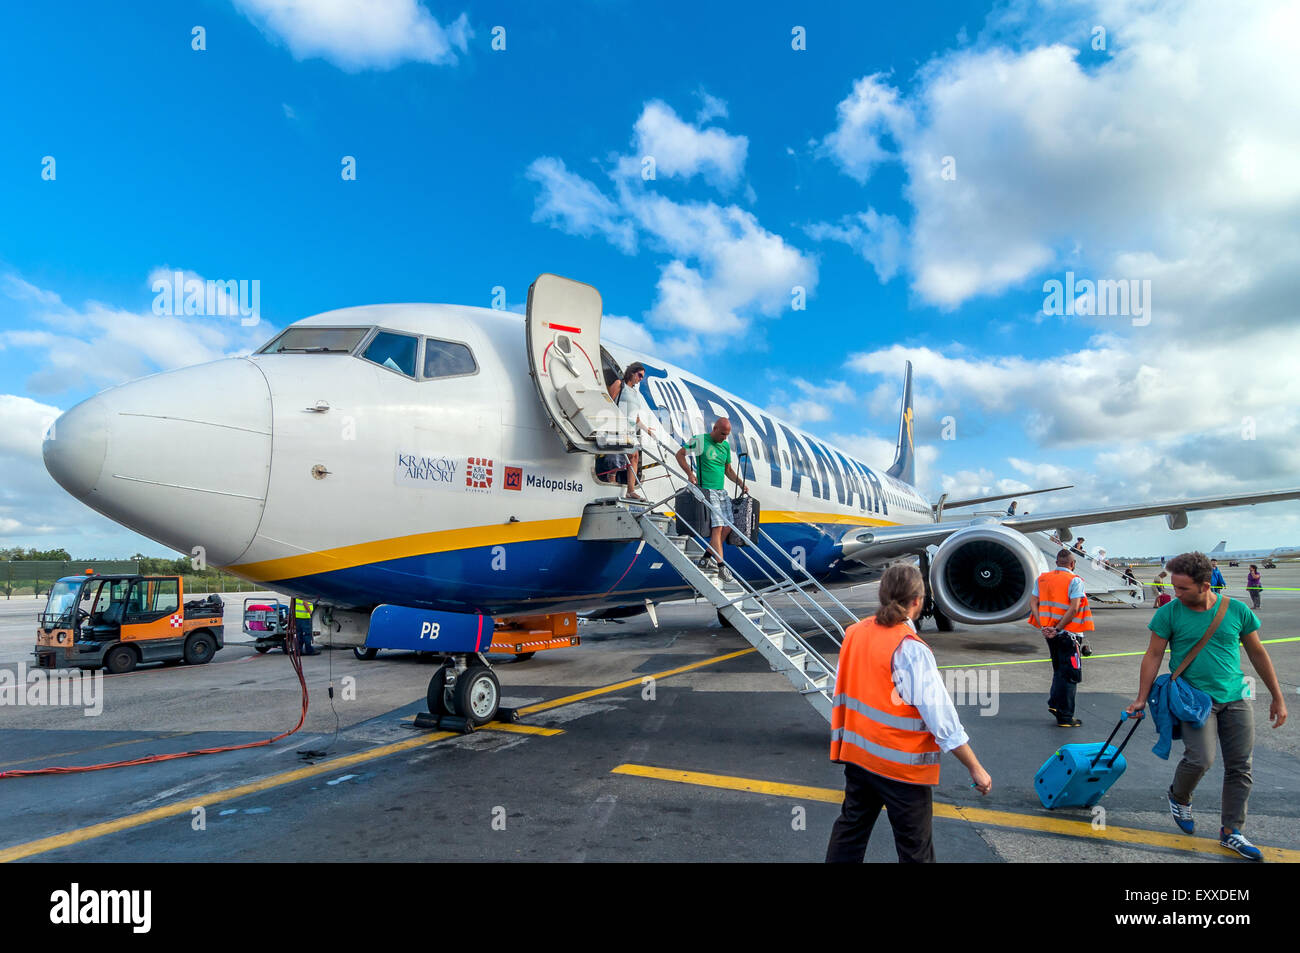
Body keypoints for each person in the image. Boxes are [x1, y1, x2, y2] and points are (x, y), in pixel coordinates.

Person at [1126, 551, 1288, 861]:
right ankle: (1179, 795)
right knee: (1200, 759)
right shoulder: (1169, 613)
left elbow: (1257, 653)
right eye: (1175, 587)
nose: (1176, 593)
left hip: (1235, 697)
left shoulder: (1237, 610)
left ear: (1205, 585)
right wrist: (1141, 698)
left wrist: (1277, 697)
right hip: (1193, 700)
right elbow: (1153, 655)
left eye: (1183, 588)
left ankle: (1232, 832)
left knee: (1241, 767)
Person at [825, 564, 992, 863]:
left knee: (849, 833)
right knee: (915, 848)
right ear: (917, 601)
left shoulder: (854, 633)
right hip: (901, 768)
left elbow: (844, 689)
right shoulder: (910, 648)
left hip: (860, 758)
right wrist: (975, 767)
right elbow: (941, 720)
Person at [1028, 549, 1094, 727]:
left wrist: (1044, 626)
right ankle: (1065, 716)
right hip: (1068, 634)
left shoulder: (1042, 579)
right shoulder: (1075, 580)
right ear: (1072, 564)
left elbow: (1033, 603)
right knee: (1071, 674)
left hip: (1049, 633)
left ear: (1056, 563)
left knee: (1059, 669)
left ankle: (1056, 704)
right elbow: (1073, 608)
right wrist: (1057, 628)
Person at [675, 418, 747, 581]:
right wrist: (689, 473)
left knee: (728, 527)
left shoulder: (725, 446)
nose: (724, 438)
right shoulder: (700, 440)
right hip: (707, 490)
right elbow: (680, 455)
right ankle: (721, 566)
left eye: (727, 435)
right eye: (722, 434)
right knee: (718, 528)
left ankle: (706, 558)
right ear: (714, 428)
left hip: (721, 491)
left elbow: (728, 470)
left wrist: (740, 483)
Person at [602, 363, 646, 500]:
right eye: (639, 375)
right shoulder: (619, 384)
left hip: (631, 429)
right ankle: (612, 478)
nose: (640, 379)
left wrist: (647, 429)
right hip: (618, 425)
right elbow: (609, 403)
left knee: (635, 456)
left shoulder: (635, 393)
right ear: (632, 372)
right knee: (617, 454)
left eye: (642, 377)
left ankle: (630, 490)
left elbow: (636, 416)